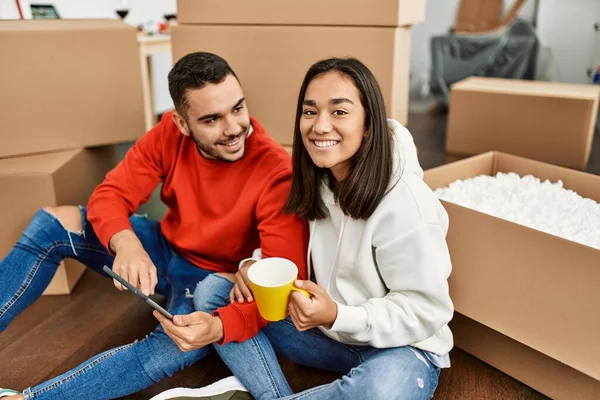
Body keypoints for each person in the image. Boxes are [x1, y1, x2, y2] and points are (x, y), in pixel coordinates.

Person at [0, 52, 308, 400]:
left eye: (238, 108)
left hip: (212, 278)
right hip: (163, 247)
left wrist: (226, 314)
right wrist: (126, 243)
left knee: (176, 345)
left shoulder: (277, 171)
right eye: (212, 119)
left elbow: (281, 282)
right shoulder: (168, 135)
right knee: (54, 223)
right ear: (180, 122)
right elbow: (111, 194)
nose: (234, 128)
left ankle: (27, 399)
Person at [156, 57, 455, 400]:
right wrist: (253, 265)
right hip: (326, 333)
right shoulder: (317, 179)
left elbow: (427, 309)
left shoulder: (406, 203)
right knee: (213, 292)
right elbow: (288, 248)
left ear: (368, 123)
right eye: (310, 112)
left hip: (403, 347)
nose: (321, 126)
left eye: (339, 112)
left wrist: (339, 314)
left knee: (378, 391)